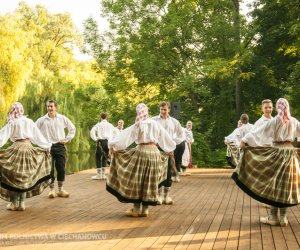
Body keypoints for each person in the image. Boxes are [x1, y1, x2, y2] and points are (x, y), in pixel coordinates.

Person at [232, 98, 300, 227]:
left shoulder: (274, 121)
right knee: (286, 185)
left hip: (277, 152)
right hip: (290, 154)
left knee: (274, 184)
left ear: (277, 108)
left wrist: (244, 141)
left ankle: (273, 216)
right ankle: (284, 217)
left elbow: (257, 132)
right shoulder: (294, 121)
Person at [107, 103, 175, 217]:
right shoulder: (155, 124)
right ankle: (145, 210)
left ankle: (136, 209)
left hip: (142, 152)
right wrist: (170, 149)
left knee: (137, 180)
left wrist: (113, 146)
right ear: (147, 112)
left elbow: (125, 137)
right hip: (155, 153)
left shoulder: (138, 124)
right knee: (150, 181)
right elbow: (165, 138)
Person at [0, 102, 52, 211]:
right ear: (22, 110)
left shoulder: (13, 122)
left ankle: (14, 203)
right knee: (25, 177)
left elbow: (2, 137)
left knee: (14, 177)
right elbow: (38, 137)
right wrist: (47, 146)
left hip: (16, 149)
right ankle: (22, 203)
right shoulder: (29, 122)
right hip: (29, 148)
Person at [36, 100, 76, 198]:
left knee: (61, 168)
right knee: (50, 170)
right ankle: (51, 190)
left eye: (51, 106)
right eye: (48, 106)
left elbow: (72, 128)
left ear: (55, 107)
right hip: (47, 147)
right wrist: (40, 142)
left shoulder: (62, 118)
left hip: (60, 146)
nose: (49, 108)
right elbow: (34, 130)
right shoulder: (42, 120)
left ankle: (61, 190)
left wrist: (66, 139)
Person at [152, 101, 185, 204]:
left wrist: (173, 143)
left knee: (168, 173)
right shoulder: (153, 120)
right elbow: (149, 132)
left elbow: (181, 134)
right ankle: (158, 196)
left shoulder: (174, 122)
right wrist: (154, 141)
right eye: (161, 109)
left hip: (169, 150)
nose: (163, 111)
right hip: (157, 149)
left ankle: (166, 197)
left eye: (165, 109)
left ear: (169, 109)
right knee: (158, 172)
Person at [90, 113, 115, 180]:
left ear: (100, 117)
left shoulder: (98, 124)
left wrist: (95, 138)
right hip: (108, 142)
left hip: (100, 142)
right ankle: (103, 175)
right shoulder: (110, 125)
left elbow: (92, 131)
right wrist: (112, 140)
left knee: (98, 157)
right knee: (105, 157)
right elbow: (115, 133)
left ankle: (99, 175)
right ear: (107, 117)